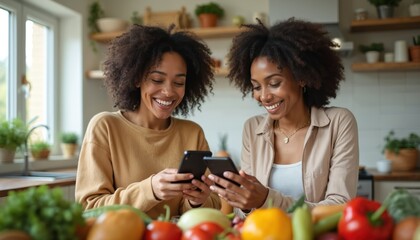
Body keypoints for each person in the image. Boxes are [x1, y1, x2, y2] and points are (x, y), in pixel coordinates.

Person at [208, 18, 359, 217]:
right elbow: (244, 215)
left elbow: (339, 206)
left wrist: (266, 199)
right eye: (256, 86)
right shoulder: (253, 128)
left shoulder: (338, 122)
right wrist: (244, 202)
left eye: (274, 83)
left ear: (301, 77)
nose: (264, 96)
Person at [75, 24, 220, 219]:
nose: (168, 92)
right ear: (136, 79)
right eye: (157, 80)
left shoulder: (192, 133)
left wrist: (197, 201)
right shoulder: (105, 127)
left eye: (178, 83)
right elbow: (89, 210)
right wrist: (149, 190)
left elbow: (213, 206)